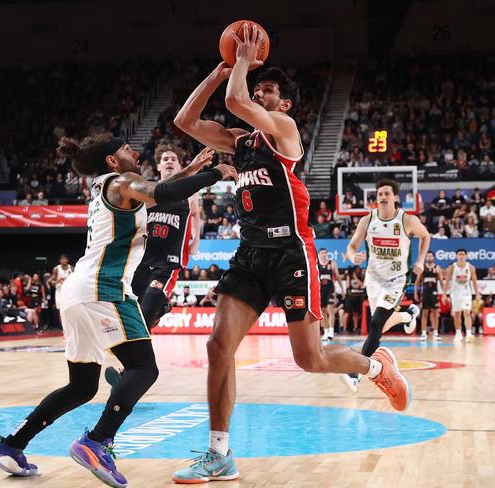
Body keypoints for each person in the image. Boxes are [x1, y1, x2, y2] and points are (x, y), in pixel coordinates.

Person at [171, 24, 412, 483]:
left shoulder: (285, 131)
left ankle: (374, 364)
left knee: (310, 359)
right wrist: (220, 71)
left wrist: (242, 65)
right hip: (250, 254)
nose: (259, 95)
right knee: (218, 345)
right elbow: (185, 122)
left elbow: (236, 103)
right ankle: (219, 453)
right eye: (258, 88)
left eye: (269, 91)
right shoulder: (238, 143)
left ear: (283, 104)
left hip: (290, 252)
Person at [0, 132, 236, 487]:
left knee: (81, 387)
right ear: (111, 160)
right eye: (124, 149)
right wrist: (215, 174)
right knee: (143, 368)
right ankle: (97, 440)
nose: (133, 151)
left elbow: (157, 190)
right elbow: (161, 194)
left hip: (75, 292)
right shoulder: (124, 181)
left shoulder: (108, 186)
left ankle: (12, 445)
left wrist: (191, 168)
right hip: (103, 290)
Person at [104, 144, 203, 388]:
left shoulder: (189, 190)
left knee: (146, 311)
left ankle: (128, 369)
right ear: (158, 165)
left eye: (173, 159)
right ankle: (137, 357)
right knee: (134, 313)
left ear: (180, 165)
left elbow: (197, 217)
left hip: (167, 261)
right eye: (165, 159)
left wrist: (195, 243)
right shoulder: (147, 190)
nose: (169, 161)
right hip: (142, 260)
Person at [340, 179, 430, 393]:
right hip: (373, 280)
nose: (382, 197)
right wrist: (353, 257)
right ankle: (409, 315)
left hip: (396, 281)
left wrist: (420, 260)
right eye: (379, 194)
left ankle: (355, 374)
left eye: (386, 194)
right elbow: (351, 246)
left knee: (375, 325)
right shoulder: (367, 220)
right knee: (380, 324)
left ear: (395, 197)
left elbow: (426, 236)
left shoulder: (407, 220)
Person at [444, 249, 480, 342]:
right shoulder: (452, 267)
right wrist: (444, 294)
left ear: (466, 256)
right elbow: (447, 281)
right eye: (459, 254)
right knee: (457, 314)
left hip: (466, 294)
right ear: (456, 256)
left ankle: (468, 334)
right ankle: (458, 333)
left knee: (467, 313)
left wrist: (477, 294)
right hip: (455, 294)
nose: (461, 256)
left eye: (463, 254)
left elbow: (475, 281)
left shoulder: (471, 267)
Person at [414, 251, 444, 341]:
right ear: (425, 257)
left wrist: (445, 294)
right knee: (424, 314)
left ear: (433, 257)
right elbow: (417, 282)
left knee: (435, 314)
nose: (429, 258)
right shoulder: (422, 267)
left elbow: (442, 281)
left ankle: (435, 333)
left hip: (434, 293)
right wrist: (416, 293)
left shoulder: (437, 268)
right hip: (425, 293)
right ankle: (423, 333)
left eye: (430, 256)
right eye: (427, 256)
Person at [318, 248, 342, 341]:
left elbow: (338, 277)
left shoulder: (332, 263)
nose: (323, 254)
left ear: (327, 254)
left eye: (325, 253)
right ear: (319, 255)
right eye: (322, 253)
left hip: (330, 289)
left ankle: (331, 332)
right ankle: (326, 331)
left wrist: (342, 290)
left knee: (330, 310)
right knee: (323, 311)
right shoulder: (317, 264)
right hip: (321, 290)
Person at [52, 254, 74, 328]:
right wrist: (58, 280)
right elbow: (52, 282)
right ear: (60, 261)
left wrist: (68, 281)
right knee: (61, 311)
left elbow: (76, 279)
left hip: (69, 292)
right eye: (63, 259)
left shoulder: (72, 268)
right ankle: (64, 328)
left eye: (66, 259)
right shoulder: (56, 269)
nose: (64, 260)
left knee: (71, 309)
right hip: (59, 291)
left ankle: (71, 326)